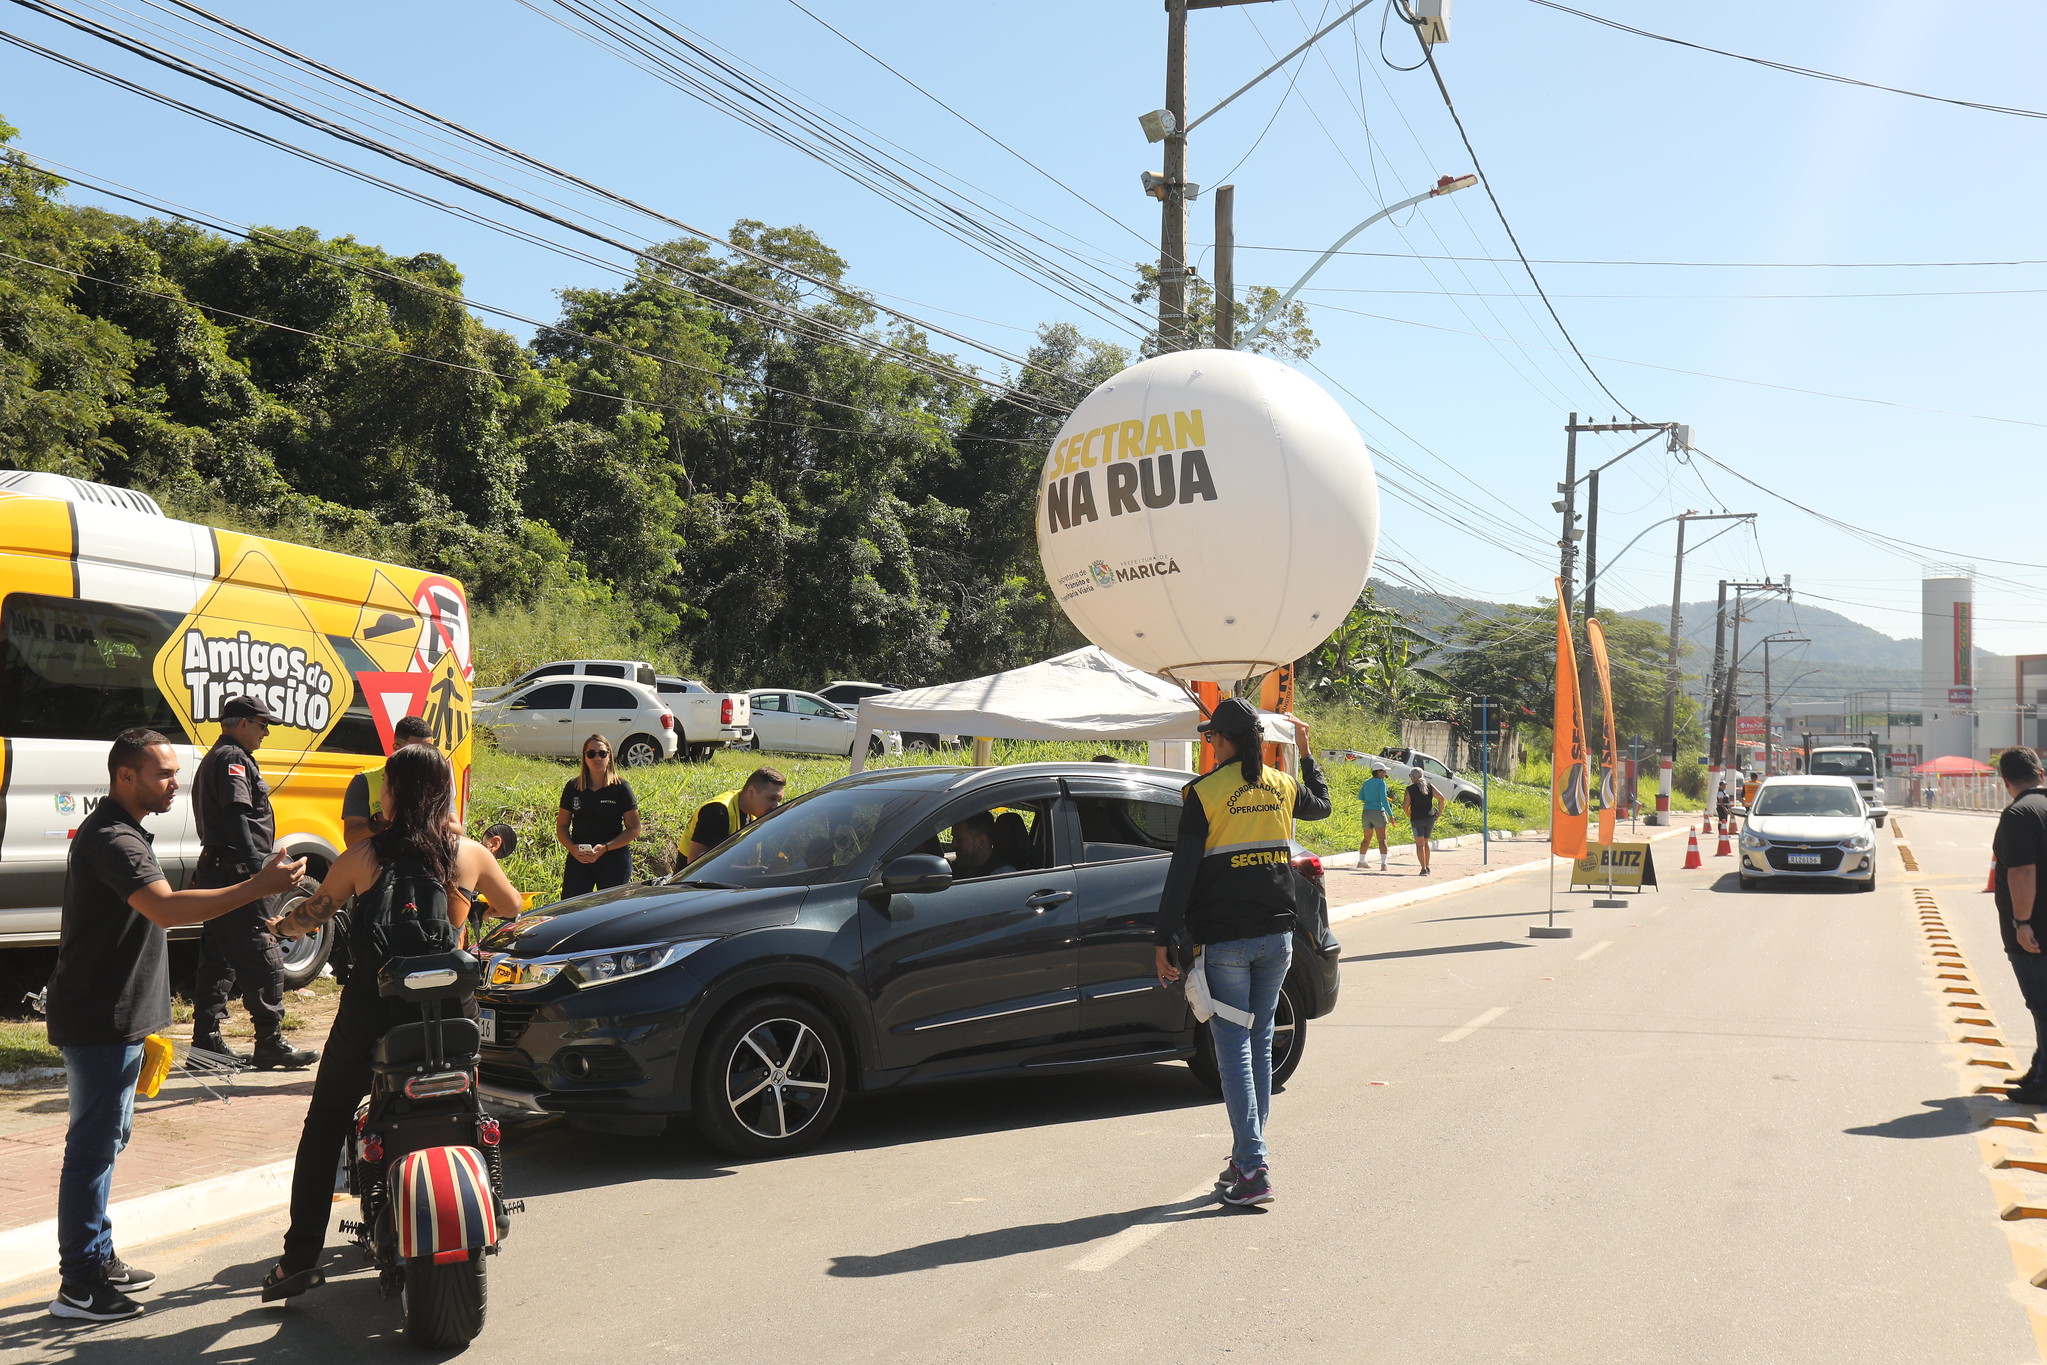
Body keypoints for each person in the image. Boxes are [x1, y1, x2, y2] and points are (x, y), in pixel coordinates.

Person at [44, 729, 304, 1321]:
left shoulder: (125, 832)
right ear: (125, 776)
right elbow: (166, 907)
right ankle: (79, 1283)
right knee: (91, 1149)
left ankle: (98, 1255)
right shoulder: (114, 837)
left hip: (119, 1016)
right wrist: (258, 888)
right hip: (98, 1019)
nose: (174, 784)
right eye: (162, 774)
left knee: (108, 1140)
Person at [259, 744, 523, 1301]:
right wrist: (467, 906)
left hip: (373, 1014)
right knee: (471, 1111)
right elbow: (513, 906)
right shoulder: (466, 854)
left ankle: (299, 1259)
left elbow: (315, 913)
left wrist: (282, 927)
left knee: (325, 1126)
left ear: (396, 793)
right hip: (450, 1014)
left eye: (386, 786)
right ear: (443, 793)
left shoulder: (362, 857)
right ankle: (490, 1194)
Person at [1153, 698, 1329, 1208]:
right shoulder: (1279, 784)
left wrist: (1163, 938)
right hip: (1277, 938)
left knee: (1233, 1050)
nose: (1208, 745)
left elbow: (1182, 872)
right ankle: (1244, 1157)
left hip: (1226, 940)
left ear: (1221, 742)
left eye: (1211, 738)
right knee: (1255, 1046)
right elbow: (1321, 803)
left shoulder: (1203, 793)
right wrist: (1305, 750)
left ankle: (1252, 1166)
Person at [190, 695, 316, 1069]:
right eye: (262, 724)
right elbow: (236, 816)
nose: (266, 732)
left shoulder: (222, 755)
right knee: (263, 952)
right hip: (234, 870)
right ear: (242, 722)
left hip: (219, 869)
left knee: (219, 957)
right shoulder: (232, 759)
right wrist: (255, 869)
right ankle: (269, 1041)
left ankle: (205, 1042)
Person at [1993, 747, 2047, 1105]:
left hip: (2036, 930)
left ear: (2006, 781)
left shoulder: (2019, 814)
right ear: (2040, 773)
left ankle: (2044, 1082)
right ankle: (2039, 1067)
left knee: (2041, 1004)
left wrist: (2022, 922)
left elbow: (2023, 872)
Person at [557, 735, 642, 898]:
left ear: (609, 756)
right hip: (579, 858)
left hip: (613, 858)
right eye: (591, 754)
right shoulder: (573, 787)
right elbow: (562, 826)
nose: (597, 758)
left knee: (611, 912)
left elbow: (634, 828)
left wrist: (606, 847)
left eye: (602, 753)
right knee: (571, 909)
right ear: (584, 757)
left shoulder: (621, 787)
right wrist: (572, 849)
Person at [340, 714, 433, 849]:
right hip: (377, 864)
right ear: (396, 748)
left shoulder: (436, 779)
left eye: (429, 750)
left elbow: (456, 831)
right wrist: (383, 820)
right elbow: (352, 840)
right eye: (415, 751)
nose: (423, 756)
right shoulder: (364, 781)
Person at [683, 767, 788, 861]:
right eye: (772, 798)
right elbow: (696, 865)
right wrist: (756, 870)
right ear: (751, 791)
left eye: (779, 800)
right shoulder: (717, 811)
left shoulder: (755, 811)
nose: (776, 806)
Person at [950, 812, 1016, 880]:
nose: (953, 845)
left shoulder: (1001, 878)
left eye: (959, 839)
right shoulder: (962, 868)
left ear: (981, 841)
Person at [1357, 761, 1393, 872]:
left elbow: (1361, 796)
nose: (1385, 773)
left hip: (1366, 812)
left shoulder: (1366, 782)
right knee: (1382, 839)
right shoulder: (1381, 783)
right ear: (1378, 772)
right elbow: (1383, 799)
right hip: (1378, 812)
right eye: (1383, 771)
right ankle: (1384, 864)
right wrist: (1391, 814)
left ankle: (1361, 861)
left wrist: (1370, 800)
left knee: (1366, 839)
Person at [1406, 771, 1438, 876]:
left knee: (1420, 845)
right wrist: (1439, 813)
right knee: (1425, 843)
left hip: (1416, 820)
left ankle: (1423, 869)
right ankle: (1427, 866)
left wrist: (1408, 814)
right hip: (1429, 818)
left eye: (1411, 776)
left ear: (1414, 777)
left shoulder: (1410, 789)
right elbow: (1441, 798)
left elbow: (1405, 806)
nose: (1410, 778)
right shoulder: (1429, 786)